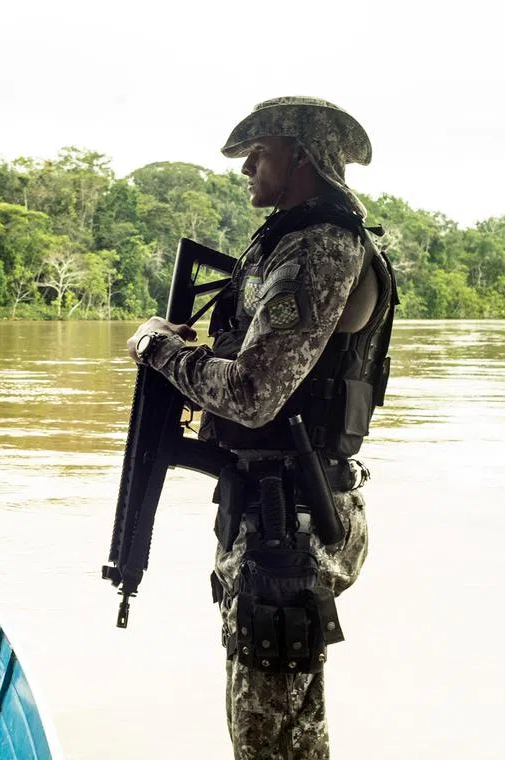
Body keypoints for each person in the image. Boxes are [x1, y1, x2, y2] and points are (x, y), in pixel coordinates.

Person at [125, 97, 396, 759]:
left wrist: (157, 349)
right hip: (287, 512)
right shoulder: (295, 241)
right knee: (294, 740)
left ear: (301, 157)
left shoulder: (321, 248)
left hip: (289, 528)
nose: (246, 166)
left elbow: (252, 394)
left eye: (261, 151)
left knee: (266, 745)